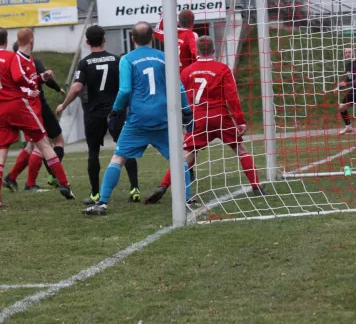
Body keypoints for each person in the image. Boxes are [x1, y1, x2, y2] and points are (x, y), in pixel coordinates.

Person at [82, 22, 193, 216]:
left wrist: (115, 112)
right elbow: (180, 87)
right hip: (162, 118)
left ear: (132, 39)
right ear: (152, 38)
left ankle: (102, 203)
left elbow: (125, 90)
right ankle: (187, 201)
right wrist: (186, 112)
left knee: (119, 158)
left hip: (138, 119)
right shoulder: (165, 58)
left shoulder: (127, 59)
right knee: (178, 160)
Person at [145, 36, 266, 205]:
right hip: (220, 116)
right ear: (214, 50)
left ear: (198, 51)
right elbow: (232, 96)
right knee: (240, 149)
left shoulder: (187, 71)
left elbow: (182, 97)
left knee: (188, 154)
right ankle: (256, 186)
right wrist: (240, 120)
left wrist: (184, 119)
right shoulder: (222, 69)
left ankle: (164, 185)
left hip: (198, 117)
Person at [0, 27, 74, 208]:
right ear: (6, 40)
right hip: (17, 105)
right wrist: (34, 83)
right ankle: (64, 184)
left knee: (0, 155)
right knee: (44, 143)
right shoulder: (12, 57)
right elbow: (18, 78)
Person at [56, 25, 140, 205]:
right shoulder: (118, 60)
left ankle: (95, 194)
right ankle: (134, 189)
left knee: (93, 152)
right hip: (115, 112)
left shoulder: (85, 63)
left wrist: (64, 104)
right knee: (125, 148)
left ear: (87, 42)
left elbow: (77, 87)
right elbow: (128, 86)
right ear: (104, 39)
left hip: (93, 113)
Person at [3, 41, 66, 191]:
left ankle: (11, 178)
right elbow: (46, 79)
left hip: (23, 107)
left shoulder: (11, 66)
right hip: (38, 106)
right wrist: (58, 89)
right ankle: (39, 180)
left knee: (33, 145)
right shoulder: (32, 62)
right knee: (52, 142)